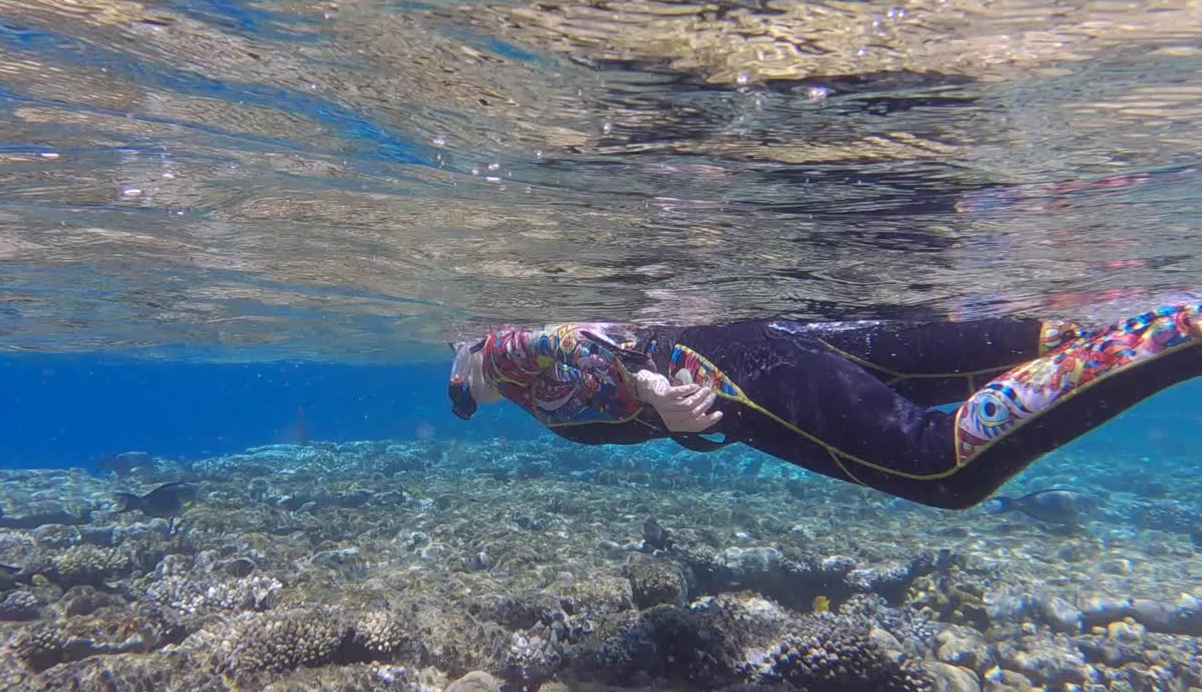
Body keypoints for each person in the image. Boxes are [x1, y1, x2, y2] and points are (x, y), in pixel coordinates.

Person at [447, 301, 1202, 509]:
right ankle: (1144, 330)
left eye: (459, 383)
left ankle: (1180, 329)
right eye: (463, 397)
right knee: (997, 358)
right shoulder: (519, 391)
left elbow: (586, 337)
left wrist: (648, 384)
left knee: (939, 467)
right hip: (754, 348)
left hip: (729, 366)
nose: (465, 388)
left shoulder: (503, 354)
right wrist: (662, 408)